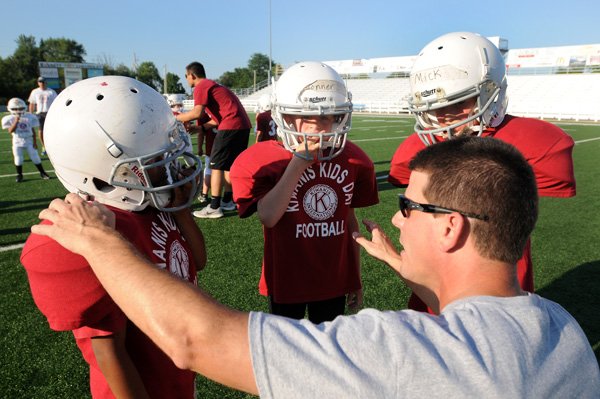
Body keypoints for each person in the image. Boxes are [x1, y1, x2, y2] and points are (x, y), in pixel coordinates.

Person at [31, 136, 600, 397]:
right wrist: (416, 273)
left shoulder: (400, 352)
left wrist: (99, 243)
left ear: (450, 227)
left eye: (408, 207)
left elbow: (193, 339)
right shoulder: (562, 329)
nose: (396, 222)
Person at [20, 76, 206, 399]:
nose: (171, 166)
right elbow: (109, 352)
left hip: (176, 376)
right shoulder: (98, 236)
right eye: (155, 161)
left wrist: (181, 211)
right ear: (105, 174)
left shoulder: (153, 204)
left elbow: (197, 261)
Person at [388, 31, 576, 313]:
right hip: (430, 294)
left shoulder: (540, 143)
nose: (444, 118)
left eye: (457, 103)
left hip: (500, 296)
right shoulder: (411, 151)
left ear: (492, 93)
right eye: (436, 107)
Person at [230, 61, 379, 323]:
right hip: (287, 279)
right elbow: (268, 217)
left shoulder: (355, 159)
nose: (319, 127)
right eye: (307, 116)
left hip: (333, 278)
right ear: (282, 116)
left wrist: (355, 277)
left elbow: (348, 221)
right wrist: (298, 162)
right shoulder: (264, 159)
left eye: (327, 116)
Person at [176, 61, 252, 218]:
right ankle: (227, 201)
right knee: (228, 166)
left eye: (186, 76)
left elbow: (197, 113)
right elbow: (218, 118)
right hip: (242, 126)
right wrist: (201, 128)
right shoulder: (214, 86)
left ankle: (214, 206)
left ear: (192, 75)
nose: (186, 79)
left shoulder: (201, 86)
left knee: (216, 165)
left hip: (231, 125)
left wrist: (175, 117)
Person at [2, 97, 51, 182]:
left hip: (29, 140)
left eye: (20, 108)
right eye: (15, 109)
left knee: (35, 157)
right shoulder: (10, 118)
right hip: (17, 140)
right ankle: (19, 175)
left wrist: (35, 142)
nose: (18, 110)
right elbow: (10, 130)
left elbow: (32, 130)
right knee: (18, 159)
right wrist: (16, 121)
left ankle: (42, 173)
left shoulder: (29, 116)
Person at [28, 76, 58, 155]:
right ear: (38, 83)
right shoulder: (35, 91)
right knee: (41, 130)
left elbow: (56, 103)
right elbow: (32, 103)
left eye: (43, 82)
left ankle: (52, 145)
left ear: (46, 82)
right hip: (40, 113)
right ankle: (44, 146)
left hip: (50, 113)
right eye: (40, 82)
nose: (42, 83)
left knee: (51, 130)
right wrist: (31, 114)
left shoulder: (51, 92)